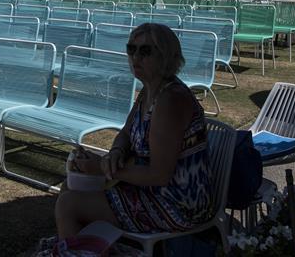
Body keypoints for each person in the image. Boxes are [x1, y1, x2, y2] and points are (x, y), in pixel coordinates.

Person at [51, 23, 213, 244]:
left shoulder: (170, 100)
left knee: (69, 204)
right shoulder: (150, 90)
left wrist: (101, 167)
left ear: (166, 56)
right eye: (131, 49)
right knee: (71, 185)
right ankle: (87, 248)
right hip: (150, 190)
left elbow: (159, 175)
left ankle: (79, 248)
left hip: (177, 203)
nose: (135, 57)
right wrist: (116, 151)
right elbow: (126, 132)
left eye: (145, 51)